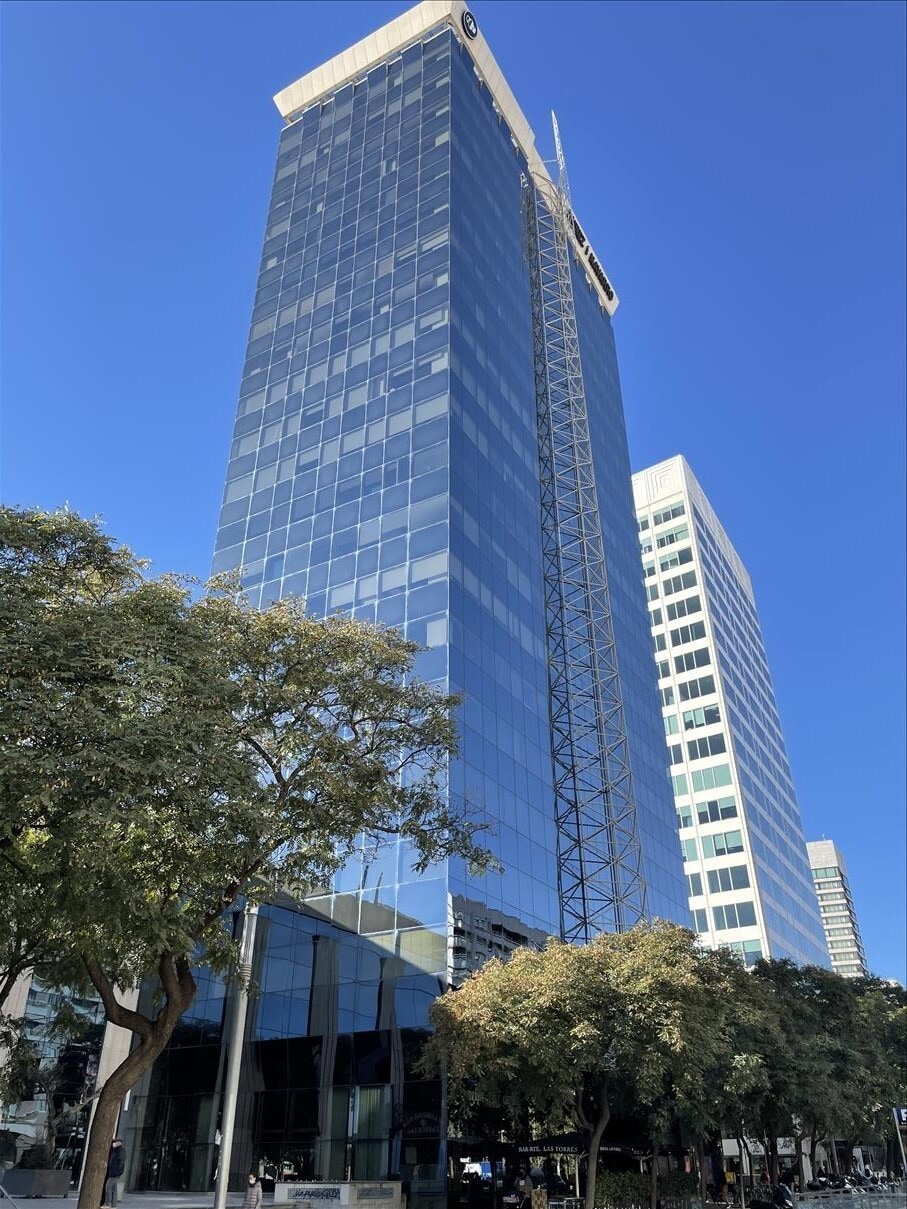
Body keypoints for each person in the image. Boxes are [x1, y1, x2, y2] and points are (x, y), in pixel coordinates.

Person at [101, 1139, 126, 1208]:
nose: (113, 1144)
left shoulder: (121, 1151)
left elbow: (121, 1163)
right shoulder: (115, 1151)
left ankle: (107, 1203)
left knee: (108, 1186)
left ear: (119, 1143)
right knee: (114, 1188)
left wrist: (118, 1171)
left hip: (115, 1173)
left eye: (115, 1142)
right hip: (112, 1172)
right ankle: (114, 1205)